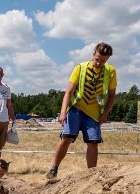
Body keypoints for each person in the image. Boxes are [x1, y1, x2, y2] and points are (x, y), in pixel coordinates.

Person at [46, 42, 117, 179]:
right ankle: (54, 168)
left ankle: (91, 175)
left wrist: (105, 113)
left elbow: (112, 95)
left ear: (107, 59)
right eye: (97, 59)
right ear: (93, 55)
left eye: (103, 61)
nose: (98, 63)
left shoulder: (111, 71)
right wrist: (62, 112)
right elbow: (69, 92)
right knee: (66, 138)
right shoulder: (80, 67)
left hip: (94, 113)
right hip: (76, 109)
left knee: (93, 142)